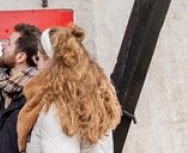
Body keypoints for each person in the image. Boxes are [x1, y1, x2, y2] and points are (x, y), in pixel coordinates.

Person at [17, 25, 121, 153]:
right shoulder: (95, 96)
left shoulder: (58, 107)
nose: (37, 66)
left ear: (50, 61)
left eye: (38, 58)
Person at [0, 23, 42, 153]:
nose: (3, 45)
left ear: (20, 57)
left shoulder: (38, 94)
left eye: (9, 43)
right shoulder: (7, 90)